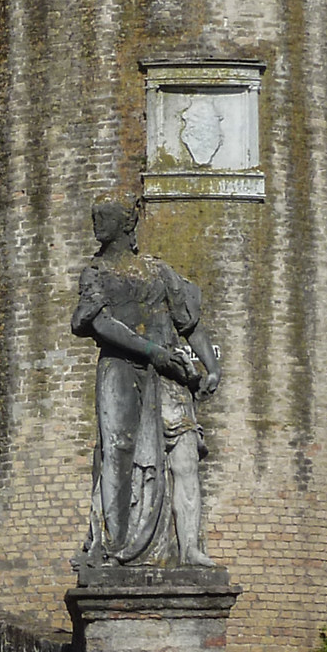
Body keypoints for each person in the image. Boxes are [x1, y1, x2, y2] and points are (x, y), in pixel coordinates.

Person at [70, 197, 220, 568]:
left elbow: (190, 323)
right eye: (95, 215)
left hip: (168, 376)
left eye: (105, 216)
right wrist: (153, 351)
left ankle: (190, 549)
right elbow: (100, 325)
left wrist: (211, 366)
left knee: (185, 456)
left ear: (126, 223)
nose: (96, 221)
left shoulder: (157, 272)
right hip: (121, 369)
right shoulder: (95, 273)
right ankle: (115, 546)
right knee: (118, 451)